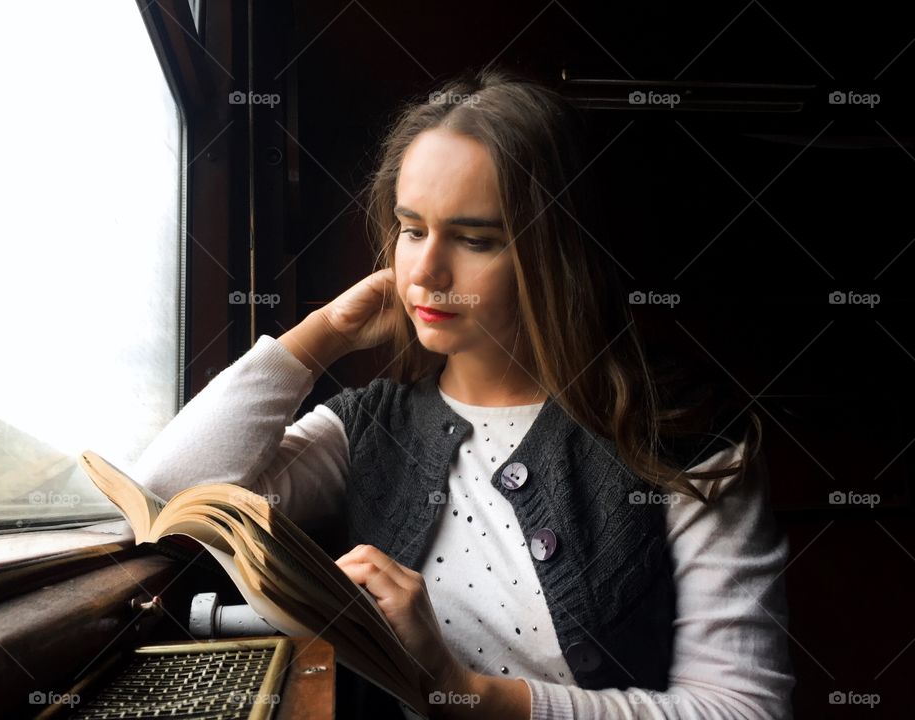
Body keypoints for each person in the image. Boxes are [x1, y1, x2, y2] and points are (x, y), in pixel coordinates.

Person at [132, 66, 796, 719]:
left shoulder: (683, 439)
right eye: (412, 230)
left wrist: (467, 694)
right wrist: (322, 333)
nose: (425, 270)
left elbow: (744, 707)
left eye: (474, 238)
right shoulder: (369, 427)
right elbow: (170, 489)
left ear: (558, 255)